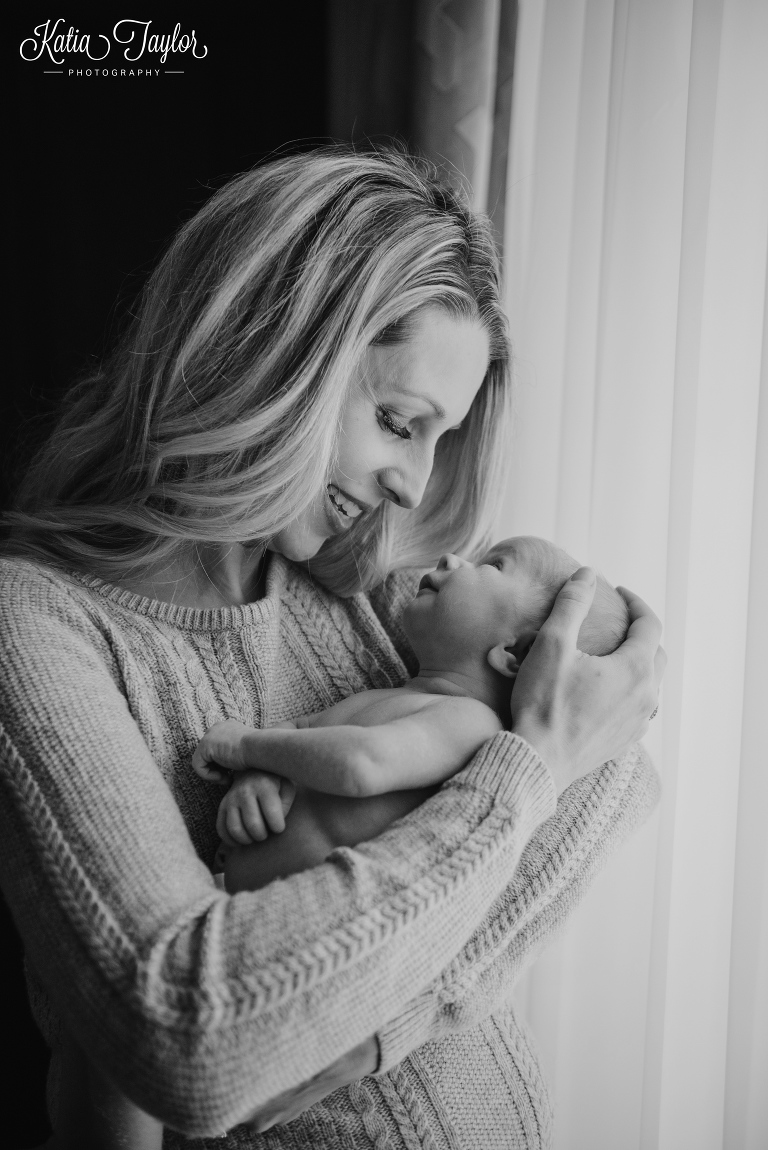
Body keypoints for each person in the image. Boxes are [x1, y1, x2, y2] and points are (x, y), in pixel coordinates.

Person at [0, 146, 664, 1150]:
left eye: (439, 437)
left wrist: (372, 1028)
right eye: (400, 422)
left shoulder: (350, 586)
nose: (413, 484)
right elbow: (188, 1034)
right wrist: (525, 774)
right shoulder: (41, 627)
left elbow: (621, 772)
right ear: (274, 356)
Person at [197, 536, 630, 895]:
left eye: (491, 565)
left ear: (516, 652)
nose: (451, 558)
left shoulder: (470, 725)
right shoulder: (391, 696)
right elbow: (295, 735)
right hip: (235, 904)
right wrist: (258, 776)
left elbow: (360, 766)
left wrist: (244, 746)